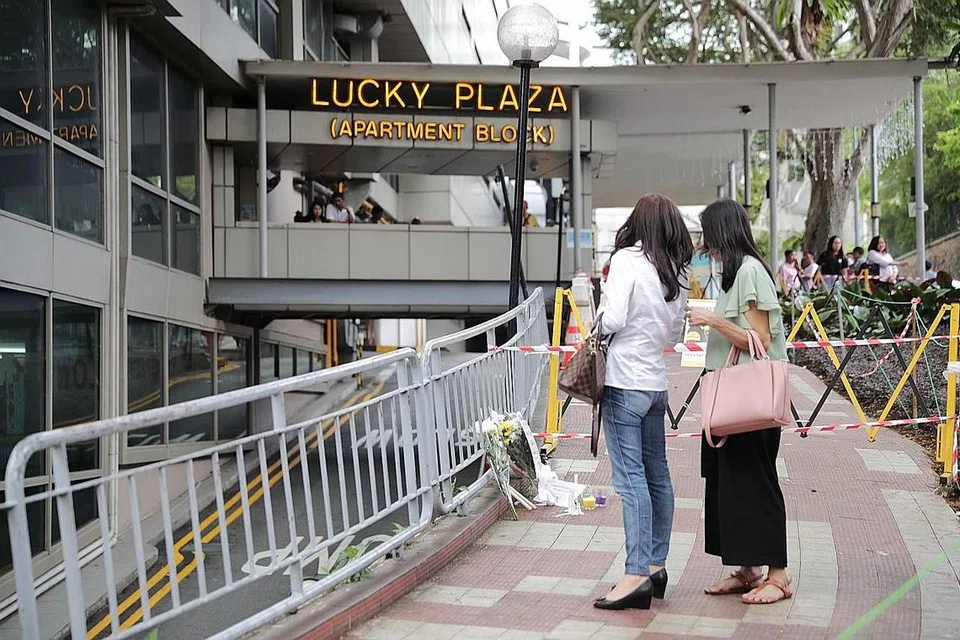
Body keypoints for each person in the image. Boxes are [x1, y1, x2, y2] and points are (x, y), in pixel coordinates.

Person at [687, 198, 792, 606]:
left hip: (749, 400)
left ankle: (778, 576)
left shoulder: (749, 271)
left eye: (709, 235)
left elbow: (760, 339)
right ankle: (749, 569)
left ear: (723, 233)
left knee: (757, 482)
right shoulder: (735, 274)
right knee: (733, 484)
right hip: (732, 400)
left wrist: (713, 320)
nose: (706, 245)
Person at [593, 193, 693, 611]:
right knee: (658, 477)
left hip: (623, 383)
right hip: (655, 386)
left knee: (631, 480)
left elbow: (613, 318)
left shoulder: (627, 261)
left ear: (637, 222)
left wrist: (598, 320)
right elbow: (674, 334)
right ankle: (655, 565)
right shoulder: (675, 271)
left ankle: (635, 574)